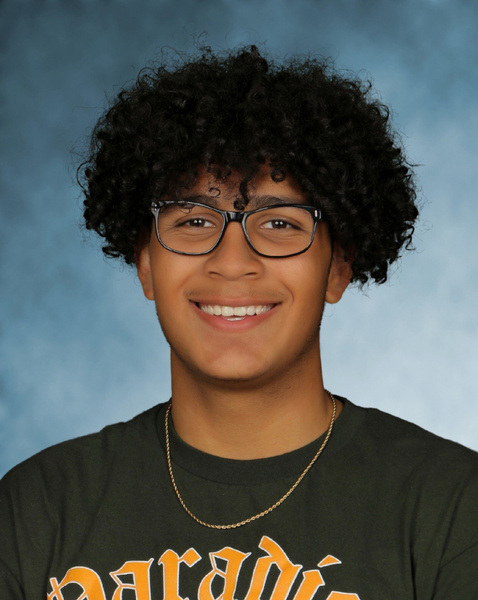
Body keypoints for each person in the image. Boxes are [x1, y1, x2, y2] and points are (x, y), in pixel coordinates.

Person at [1, 45, 476, 600]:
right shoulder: (37, 510)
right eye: (195, 220)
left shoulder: (451, 508)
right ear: (146, 264)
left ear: (338, 268)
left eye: (278, 222)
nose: (231, 261)